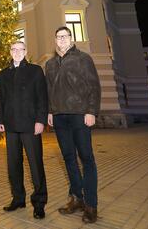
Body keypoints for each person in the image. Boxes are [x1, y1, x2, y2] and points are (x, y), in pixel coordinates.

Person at [45, 26, 101, 224]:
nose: (61, 40)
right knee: (68, 157)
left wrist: (91, 111)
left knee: (86, 158)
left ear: (71, 38)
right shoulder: (50, 64)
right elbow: (49, 90)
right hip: (59, 116)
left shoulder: (82, 58)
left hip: (79, 114)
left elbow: (93, 85)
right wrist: (50, 112)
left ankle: (91, 205)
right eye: (58, 37)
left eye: (64, 36)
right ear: (55, 40)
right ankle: (76, 198)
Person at [0, 41, 48, 219]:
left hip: (31, 125)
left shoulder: (35, 70)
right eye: (14, 49)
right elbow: (0, 99)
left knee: (35, 164)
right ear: (10, 52)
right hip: (10, 125)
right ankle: (18, 198)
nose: (17, 52)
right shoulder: (4, 74)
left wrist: (41, 120)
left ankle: (39, 202)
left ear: (26, 51)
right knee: (13, 165)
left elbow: (42, 97)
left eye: (20, 49)